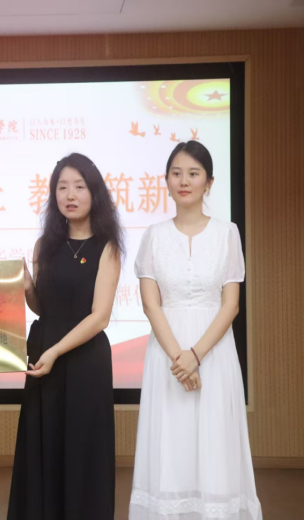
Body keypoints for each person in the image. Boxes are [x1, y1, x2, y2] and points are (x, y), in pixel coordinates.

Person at [129, 141, 262, 519]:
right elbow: (151, 304)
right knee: (171, 441)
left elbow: (231, 305)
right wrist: (180, 358)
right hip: (167, 356)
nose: (184, 181)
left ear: (209, 183)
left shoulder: (227, 233)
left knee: (214, 439)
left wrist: (196, 356)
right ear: (166, 182)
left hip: (214, 354)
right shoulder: (154, 235)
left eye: (193, 173)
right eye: (176, 174)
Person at [8, 153, 122, 520]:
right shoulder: (44, 245)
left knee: (82, 452)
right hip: (44, 357)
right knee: (45, 449)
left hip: (84, 359)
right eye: (62, 187)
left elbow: (100, 317)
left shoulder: (108, 247)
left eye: (79, 186)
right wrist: (28, 287)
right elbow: (44, 307)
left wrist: (57, 351)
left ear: (94, 193)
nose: (70, 195)